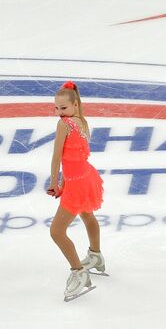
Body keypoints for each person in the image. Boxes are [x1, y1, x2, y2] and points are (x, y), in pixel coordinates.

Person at [47, 81, 106, 301]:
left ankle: (78, 272)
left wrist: (54, 183)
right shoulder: (82, 121)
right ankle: (95, 255)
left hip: (78, 183)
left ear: (74, 105)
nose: (58, 113)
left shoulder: (64, 125)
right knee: (87, 215)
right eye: (56, 108)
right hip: (84, 177)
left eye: (63, 108)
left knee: (56, 232)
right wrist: (64, 183)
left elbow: (56, 157)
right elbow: (71, 160)